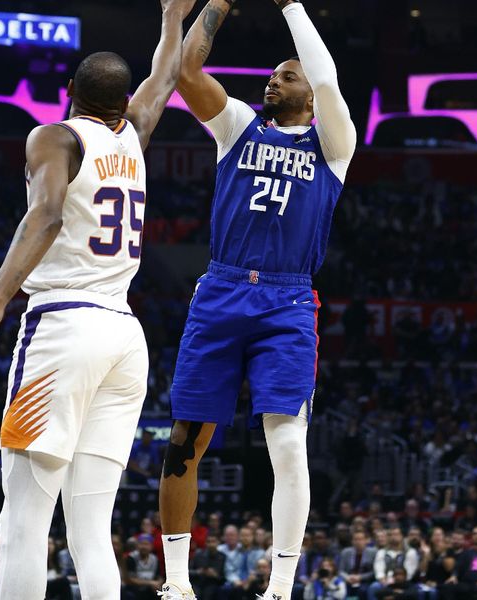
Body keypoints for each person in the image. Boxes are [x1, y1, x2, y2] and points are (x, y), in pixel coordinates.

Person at [0, 0, 197, 598]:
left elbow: (47, 214)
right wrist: (172, 19)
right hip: (124, 338)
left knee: (24, 519)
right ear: (121, 100)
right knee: (89, 530)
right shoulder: (134, 132)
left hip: (63, 326)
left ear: (69, 93)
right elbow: (165, 76)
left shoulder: (54, 136)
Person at [158, 0, 356, 598]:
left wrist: (292, 6)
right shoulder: (239, 125)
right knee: (185, 439)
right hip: (220, 289)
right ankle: (175, 584)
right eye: (272, 72)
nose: (275, 79)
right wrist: (218, 5)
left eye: (286, 75)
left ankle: (281, 587)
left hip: (287, 303)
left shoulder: (334, 144)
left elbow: (326, 77)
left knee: (288, 442)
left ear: (312, 97)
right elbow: (187, 73)